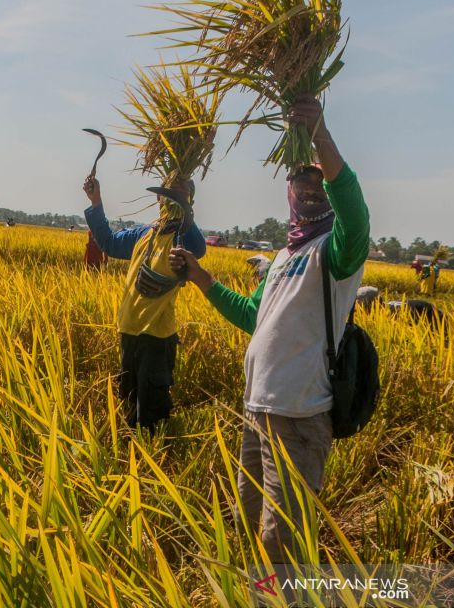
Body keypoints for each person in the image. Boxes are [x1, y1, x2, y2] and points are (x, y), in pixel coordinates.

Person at [169, 95, 368, 564]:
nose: (312, 188)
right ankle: (258, 595)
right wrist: (200, 277)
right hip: (256, 410)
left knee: (283, 543)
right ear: (289, 190)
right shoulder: (282, 259)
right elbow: (251, 317)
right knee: (248, 519)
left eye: (320, 181)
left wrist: (319, 131)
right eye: (302, 179)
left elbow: (355, 213)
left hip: (299, 417)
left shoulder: (337, 251)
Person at [84, 175, 206, 431]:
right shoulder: (143, 233)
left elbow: (198, 247)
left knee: (151, 412)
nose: (169, 200)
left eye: (178, 196)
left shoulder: (181, 238)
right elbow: (108, 242)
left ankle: (154, 463)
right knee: (128, 403)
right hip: (128, 331)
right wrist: (96, 202)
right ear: (158, 198)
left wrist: (184, 208)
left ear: (188, 202)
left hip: (157, 338)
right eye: (167, 195)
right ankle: (130, 458)